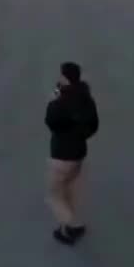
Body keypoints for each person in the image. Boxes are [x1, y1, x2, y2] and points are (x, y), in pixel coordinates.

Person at [44, 62, 100, 245]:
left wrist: (53, 101)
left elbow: (50, 121)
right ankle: (65, 229)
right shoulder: (86, 98)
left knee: (53, 195)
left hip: (61, 155)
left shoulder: (62, 102)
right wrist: (79, 135)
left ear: (66, 78)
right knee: (66, 189)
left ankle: (73, 225)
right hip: (78, 154)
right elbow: (93, 126)